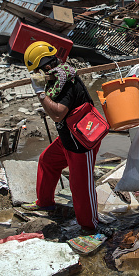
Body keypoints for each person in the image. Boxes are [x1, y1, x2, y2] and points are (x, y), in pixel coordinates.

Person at [21, 41, 102, 233]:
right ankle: (45, 203)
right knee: (47, 161)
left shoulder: (67, 82)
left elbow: (58, 113)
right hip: (68, 137)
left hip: (81, 142)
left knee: (80, 186)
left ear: (47, 66)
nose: (37, 75)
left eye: (38, 70)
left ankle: (91, 227)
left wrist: (40, 94)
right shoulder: (56, 80)